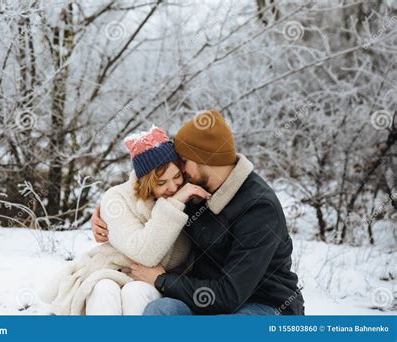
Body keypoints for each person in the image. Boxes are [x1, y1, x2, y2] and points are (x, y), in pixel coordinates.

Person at [91, 109, 305, 315]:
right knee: (160, 311)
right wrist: (106, 213)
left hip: (262, 304)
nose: (180, 170)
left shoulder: (259, 208)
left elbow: (229, 296)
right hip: (202, 299)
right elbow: (150, 184)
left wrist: (162, 280)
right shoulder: (195, 188)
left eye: (183, 161)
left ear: (205, 160)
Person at [39, 126, 211, 315]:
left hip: (159, 280)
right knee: (102, 289)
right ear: (144, 181)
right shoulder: (118, 198)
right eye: (161, 183)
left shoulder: (191, 194)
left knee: (135, 292)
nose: (172, 187)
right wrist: (175, 204)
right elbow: (145, 254)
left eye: (176, 176)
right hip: (113, 269)